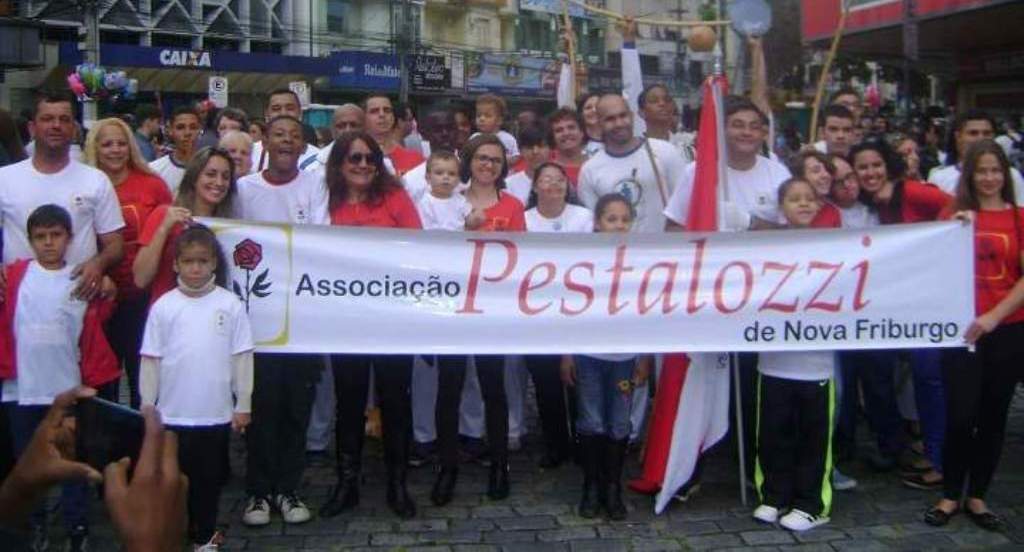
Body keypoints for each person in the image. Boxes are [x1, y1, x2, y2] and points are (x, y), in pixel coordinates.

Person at [0, 205, 119, 551]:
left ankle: (77, 525)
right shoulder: (15, 275)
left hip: (67, 390)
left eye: (56, 235)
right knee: (29, 462)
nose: (48, 243)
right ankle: (34, 524)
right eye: (41, 237)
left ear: (68, 238)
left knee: (72, 463)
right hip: (21, 389)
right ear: (30, 239)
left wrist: (108, 288)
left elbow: (98, 321)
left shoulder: (81, 278)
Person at [318, 132, 421, 519]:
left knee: (396, 400)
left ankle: (397, 483)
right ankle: (347, 482)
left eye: (370, 159)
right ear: (340, 163)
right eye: (354, 158)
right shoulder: (326, 199)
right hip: (345, 317)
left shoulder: (394, 197)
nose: (362, 166)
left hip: (392, 317)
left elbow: (417, 247)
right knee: (348, 401)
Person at [924, 140, 1024, 531]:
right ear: (969, 175)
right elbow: (931, 261)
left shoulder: (1018, 218)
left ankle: (978, 494)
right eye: (981, 171)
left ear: (1005, 175)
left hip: (1008, 329)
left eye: (995, 170)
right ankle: (950, 493)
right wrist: (951, 230)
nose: (988, 178)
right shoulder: (954, 213)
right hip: (961, 332)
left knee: (993, 416)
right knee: (961, 415)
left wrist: (995, 316)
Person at [236, 115, 327, 527]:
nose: (287, 141)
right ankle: (258, 491)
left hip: (303, 317)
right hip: (257, 319)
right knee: (261, 406)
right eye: (279, 135)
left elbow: (324, 240)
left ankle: (288, 488)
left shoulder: (316, 185)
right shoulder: (243, 190)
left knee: (296, 406)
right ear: (265, 143)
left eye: (294, 136)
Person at [140, 225, 254, 550]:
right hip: (173, 415)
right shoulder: (164, 306)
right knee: (174, 482)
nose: (195, 268)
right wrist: (149, 405)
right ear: (176, 264)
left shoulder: (230, 304)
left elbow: (242, 356)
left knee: (208, 482)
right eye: (188, 261)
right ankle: (174, 534)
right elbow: (151, 358)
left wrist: (242, 403)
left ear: (214, 264)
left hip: (214, 414)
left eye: (202, 261)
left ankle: (204, 537)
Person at [430, 134, 524, 507]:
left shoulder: (514, 205)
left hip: (492, 309)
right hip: (453, 306)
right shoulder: (449, 199)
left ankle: (499, 464)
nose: (488, 165)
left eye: (496, 161)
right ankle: (447, 466)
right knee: (448, 388)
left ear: (504, 168)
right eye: (482, 158)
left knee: (493, 388)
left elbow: (524, 257)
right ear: (469, 161)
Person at [752, 178, 835, 532]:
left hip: (816, 364)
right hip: (773, 363)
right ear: (781, 207)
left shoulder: (834, 246)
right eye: (793, 199)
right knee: (773, 435)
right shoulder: (767, 247)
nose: (802, 204)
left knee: (813, 439)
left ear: (818, 205)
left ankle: (812, 503)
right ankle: (773, 496)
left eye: (808, 199)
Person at [565, 192, 649, 520]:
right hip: (588, 354)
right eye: (611, 219)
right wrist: (567, 354)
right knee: (591, 419)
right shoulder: (584, 260)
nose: (618, 225)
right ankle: (591, 484)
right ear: (597, 223)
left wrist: (645, 357)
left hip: (624, 357)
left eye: (625, 220)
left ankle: (612, 486)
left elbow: (649, 312)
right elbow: (569, 308)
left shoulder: (641, 263)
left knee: (618, 422)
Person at [0, 91, 125, 302]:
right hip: (17, 299)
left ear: (74, 129)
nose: (56, 125)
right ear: (32, 128)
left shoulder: (96, 180)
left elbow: (115, 244)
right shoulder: (5, 178)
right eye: (47, 119)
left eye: (64, 119)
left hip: (77, 298)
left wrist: (98, 264)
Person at [83, 117, 173, 408]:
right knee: (101, 381)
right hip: (99, 297)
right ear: (95, 147)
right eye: (107, 144)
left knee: (143, 382)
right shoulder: (86, 185)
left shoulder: (152, 185)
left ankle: (140, 446)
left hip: (143, 297)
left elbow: (168, 233)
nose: (115, 150)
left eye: (121, 143)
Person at [521, 162, 590, 469]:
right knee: (546, 381)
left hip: (577, 308)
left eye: (560, 179)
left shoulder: (583, 217)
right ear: (534, 187)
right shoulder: (524, 221)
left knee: (577, 380)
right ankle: (555, 443)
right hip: (537, 312)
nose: (554, 184)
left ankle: (582, 439)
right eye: (546, 179)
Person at [134, 148, 238, 303]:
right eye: (211, 174)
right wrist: (164, 229)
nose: (219, 182)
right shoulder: (164, 215)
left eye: (225, 177)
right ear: (194, 178)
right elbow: (141, 279)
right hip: (167, 319)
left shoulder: (229, 228)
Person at [578, 94, 685, 234]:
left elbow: (685, 204)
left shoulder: (665, 151)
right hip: (617, 253)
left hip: (664, 251)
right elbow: (595, 225)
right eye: (610, 119)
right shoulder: (589, 171)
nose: (619, 123)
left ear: (632, 116)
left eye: (623, 116)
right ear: (599, 123)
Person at [929, 110, 1024, 202]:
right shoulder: (939, 177)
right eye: (973, 133)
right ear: (958, 137)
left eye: (987, 133)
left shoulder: (1011, 175)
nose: (980, 138)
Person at [251, 89, 320, 172]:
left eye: (290, 108)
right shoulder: (251, 153)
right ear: (266, 114)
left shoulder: (317, 159)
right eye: (276, 109)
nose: (283, 113)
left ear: (300, 113)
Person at [416, 150, 478, 231]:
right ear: (428, 178)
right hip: (435, 241)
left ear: (458, 180)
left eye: (451, 174)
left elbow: (469, 220)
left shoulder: (460, 200)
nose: (446, 177)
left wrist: (475, 218)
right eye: (439, 173)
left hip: (458, 240)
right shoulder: (425, 202)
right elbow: (425, 228)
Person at [364, 94, 424, 176]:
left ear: (393, 118)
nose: (382, 114)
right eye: (374, 111)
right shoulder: (357, 160)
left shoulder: (416, 159)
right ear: (363, 118)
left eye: (387, 110)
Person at [150, 105, 202, 195]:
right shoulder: (154, 170)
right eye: (180, 127)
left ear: (200, 130)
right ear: (170, 130)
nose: (187, 133)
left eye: (193, 127)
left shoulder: (210, 169)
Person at [505, 125, 551, 204]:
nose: (535, 151)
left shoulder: (561, 182)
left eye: (541, 146)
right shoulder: (508, 185)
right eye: (529, 147)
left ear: (550, 149)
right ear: (520, 151)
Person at [472, 94, 520, 163]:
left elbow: (516, 157)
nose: (482, 119)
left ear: (499, 120)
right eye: (479, 115)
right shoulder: (474, 138)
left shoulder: (508, 139)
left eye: (487, 116)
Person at [547, 107, 588, 188]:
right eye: (559, 130)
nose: (566, 133)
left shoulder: (595, 165)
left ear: (582, 132)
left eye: (571, 127)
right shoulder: (546, 170)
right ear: (553, 137)